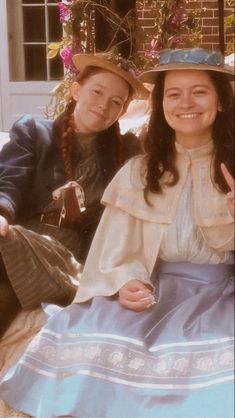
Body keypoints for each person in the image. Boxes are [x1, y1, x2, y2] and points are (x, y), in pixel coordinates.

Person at [0, 47, 234, 418]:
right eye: (173, 94)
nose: (186, 103)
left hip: (221, 295)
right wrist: (124, 280)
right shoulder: (139, 172)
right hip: (154, 291)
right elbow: (113, 249)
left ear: (220, 101)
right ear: (162, 105)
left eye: (200, 91)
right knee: (90, 357)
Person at [0, 52, 149, 337]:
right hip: (22, 239)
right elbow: (10, 179)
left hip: (69, 259)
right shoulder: (34, 131)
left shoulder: (126, 152)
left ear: (123, 111)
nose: (104, 105)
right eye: (97, 91)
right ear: (76, 90)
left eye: (116, 102)